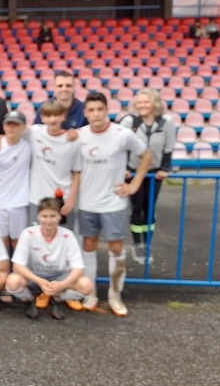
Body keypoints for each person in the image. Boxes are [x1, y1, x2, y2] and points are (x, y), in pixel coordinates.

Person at [77, 92, 152, 317]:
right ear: (85, 113)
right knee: (88, 245)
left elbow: (146, 155)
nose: (96, 114)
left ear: (107, 110)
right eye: (91, 110)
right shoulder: (78, 135)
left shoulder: (122, 134)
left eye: (100, 109)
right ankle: (90, 293)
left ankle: (115, 295)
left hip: (113, 203)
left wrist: (135, 184)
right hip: (86, 203)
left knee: (116, 248)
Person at [6, 197, 94, 320]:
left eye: (53, 216)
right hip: (35, 274)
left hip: (59, 275)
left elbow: (78, 268)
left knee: (86, 285)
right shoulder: (28, 233)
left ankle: (58, 298)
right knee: (12, 281)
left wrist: (62, 285)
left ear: (59, 217)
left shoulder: (67, 235)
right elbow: (17, 265)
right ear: (38, 216)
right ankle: (30, 299)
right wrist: (39, 281)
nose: (48, 220)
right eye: (44, 216)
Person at [118, 88, 176, 266]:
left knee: (150, 208)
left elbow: (168, 147)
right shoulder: (129, 121)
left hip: (154, 173)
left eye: (146, 102)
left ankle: (147, 244)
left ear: (154, 103)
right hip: (134, 172)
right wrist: (124, 168)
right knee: (137, 207)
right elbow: (120, 146)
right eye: (139, 102)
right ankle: (138, 245)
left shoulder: (167, 121)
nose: (142, 105)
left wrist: (164, 168)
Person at [24, 99, 81, 230]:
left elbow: (76, 172)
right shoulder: (34, 132)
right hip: (37, 198)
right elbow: (12, 134)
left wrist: (71, 199)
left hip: (62, 199)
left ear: (64, 116)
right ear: (42, 118)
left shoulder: (73, 140)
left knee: (64, 236)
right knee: (37, 236)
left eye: (56, 115)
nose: (53, 119)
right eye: (48, 116)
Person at [0, 110, 31, 254]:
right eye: (9, 124)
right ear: (3, 126)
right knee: (1, 242)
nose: (12, 128)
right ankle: (4, 268)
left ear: (23, 127)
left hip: (19, 202)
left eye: (16, 124)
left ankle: (18, 268)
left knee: (18, 241)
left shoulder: (28, 145)